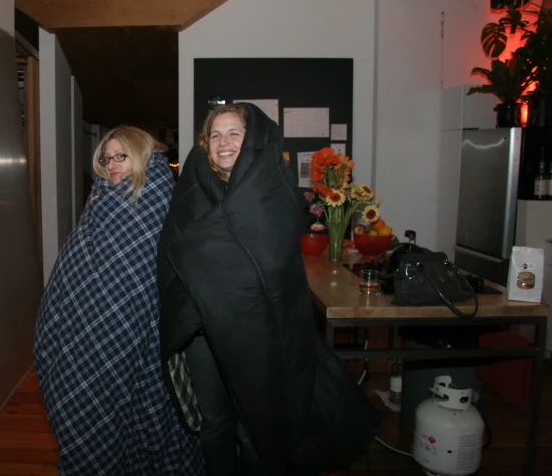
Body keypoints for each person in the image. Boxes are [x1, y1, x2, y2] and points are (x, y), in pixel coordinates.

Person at [156, 103, 383, 476]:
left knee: (254, 427)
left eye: (234, 133)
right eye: (215, 135)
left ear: (253, 141)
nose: (223, 142)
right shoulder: (192, 192)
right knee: (214, 424)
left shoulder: (273, 190)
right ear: (204, 144)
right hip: (201, 327)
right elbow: (174, 253)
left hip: (255, 329)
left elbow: (274, 263)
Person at [34, 126, 204, 476]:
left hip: (135, 328)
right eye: (106, 157)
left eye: (121, 156)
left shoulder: (157, 199)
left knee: (126, 413)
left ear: (141, 155)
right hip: (84, 327)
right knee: (90, 413)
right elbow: (80, 262)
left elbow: (134, 275)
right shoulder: (102, 199)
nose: (111, 165)